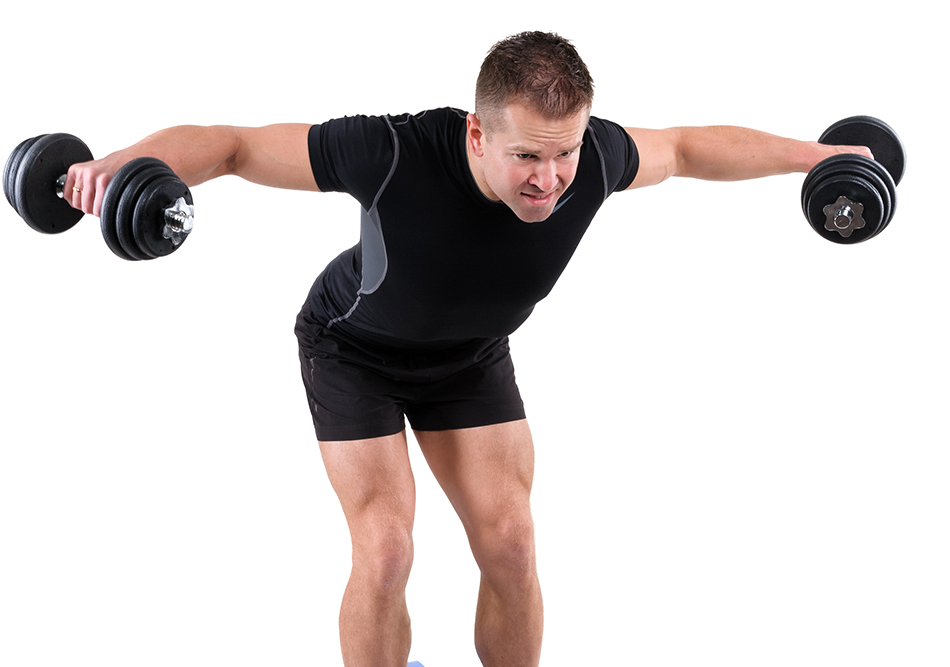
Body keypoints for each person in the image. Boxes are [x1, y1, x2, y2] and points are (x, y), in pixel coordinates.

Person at [63, 31, 870, 667]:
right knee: (386, 547)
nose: (550, 179)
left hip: (471, 356)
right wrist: (122, 165)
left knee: (513, 542)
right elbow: (233, 145)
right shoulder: (392, 152)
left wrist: (817, 157)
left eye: (566, 151)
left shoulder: (596, 160)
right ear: (479, 133)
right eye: (527, 155)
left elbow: (689, 147)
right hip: (354, 351)